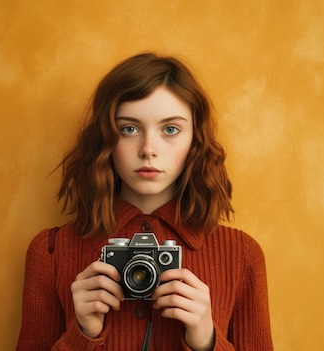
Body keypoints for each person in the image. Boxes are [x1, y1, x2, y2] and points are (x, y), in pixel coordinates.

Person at [16, 52, 273, 351]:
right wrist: (81, 334)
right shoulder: (51, 252)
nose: (148, 149)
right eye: (129, 128)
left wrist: (207, 341)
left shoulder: (241, 256)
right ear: (105, 139)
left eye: (170, 129)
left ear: (195, 141)